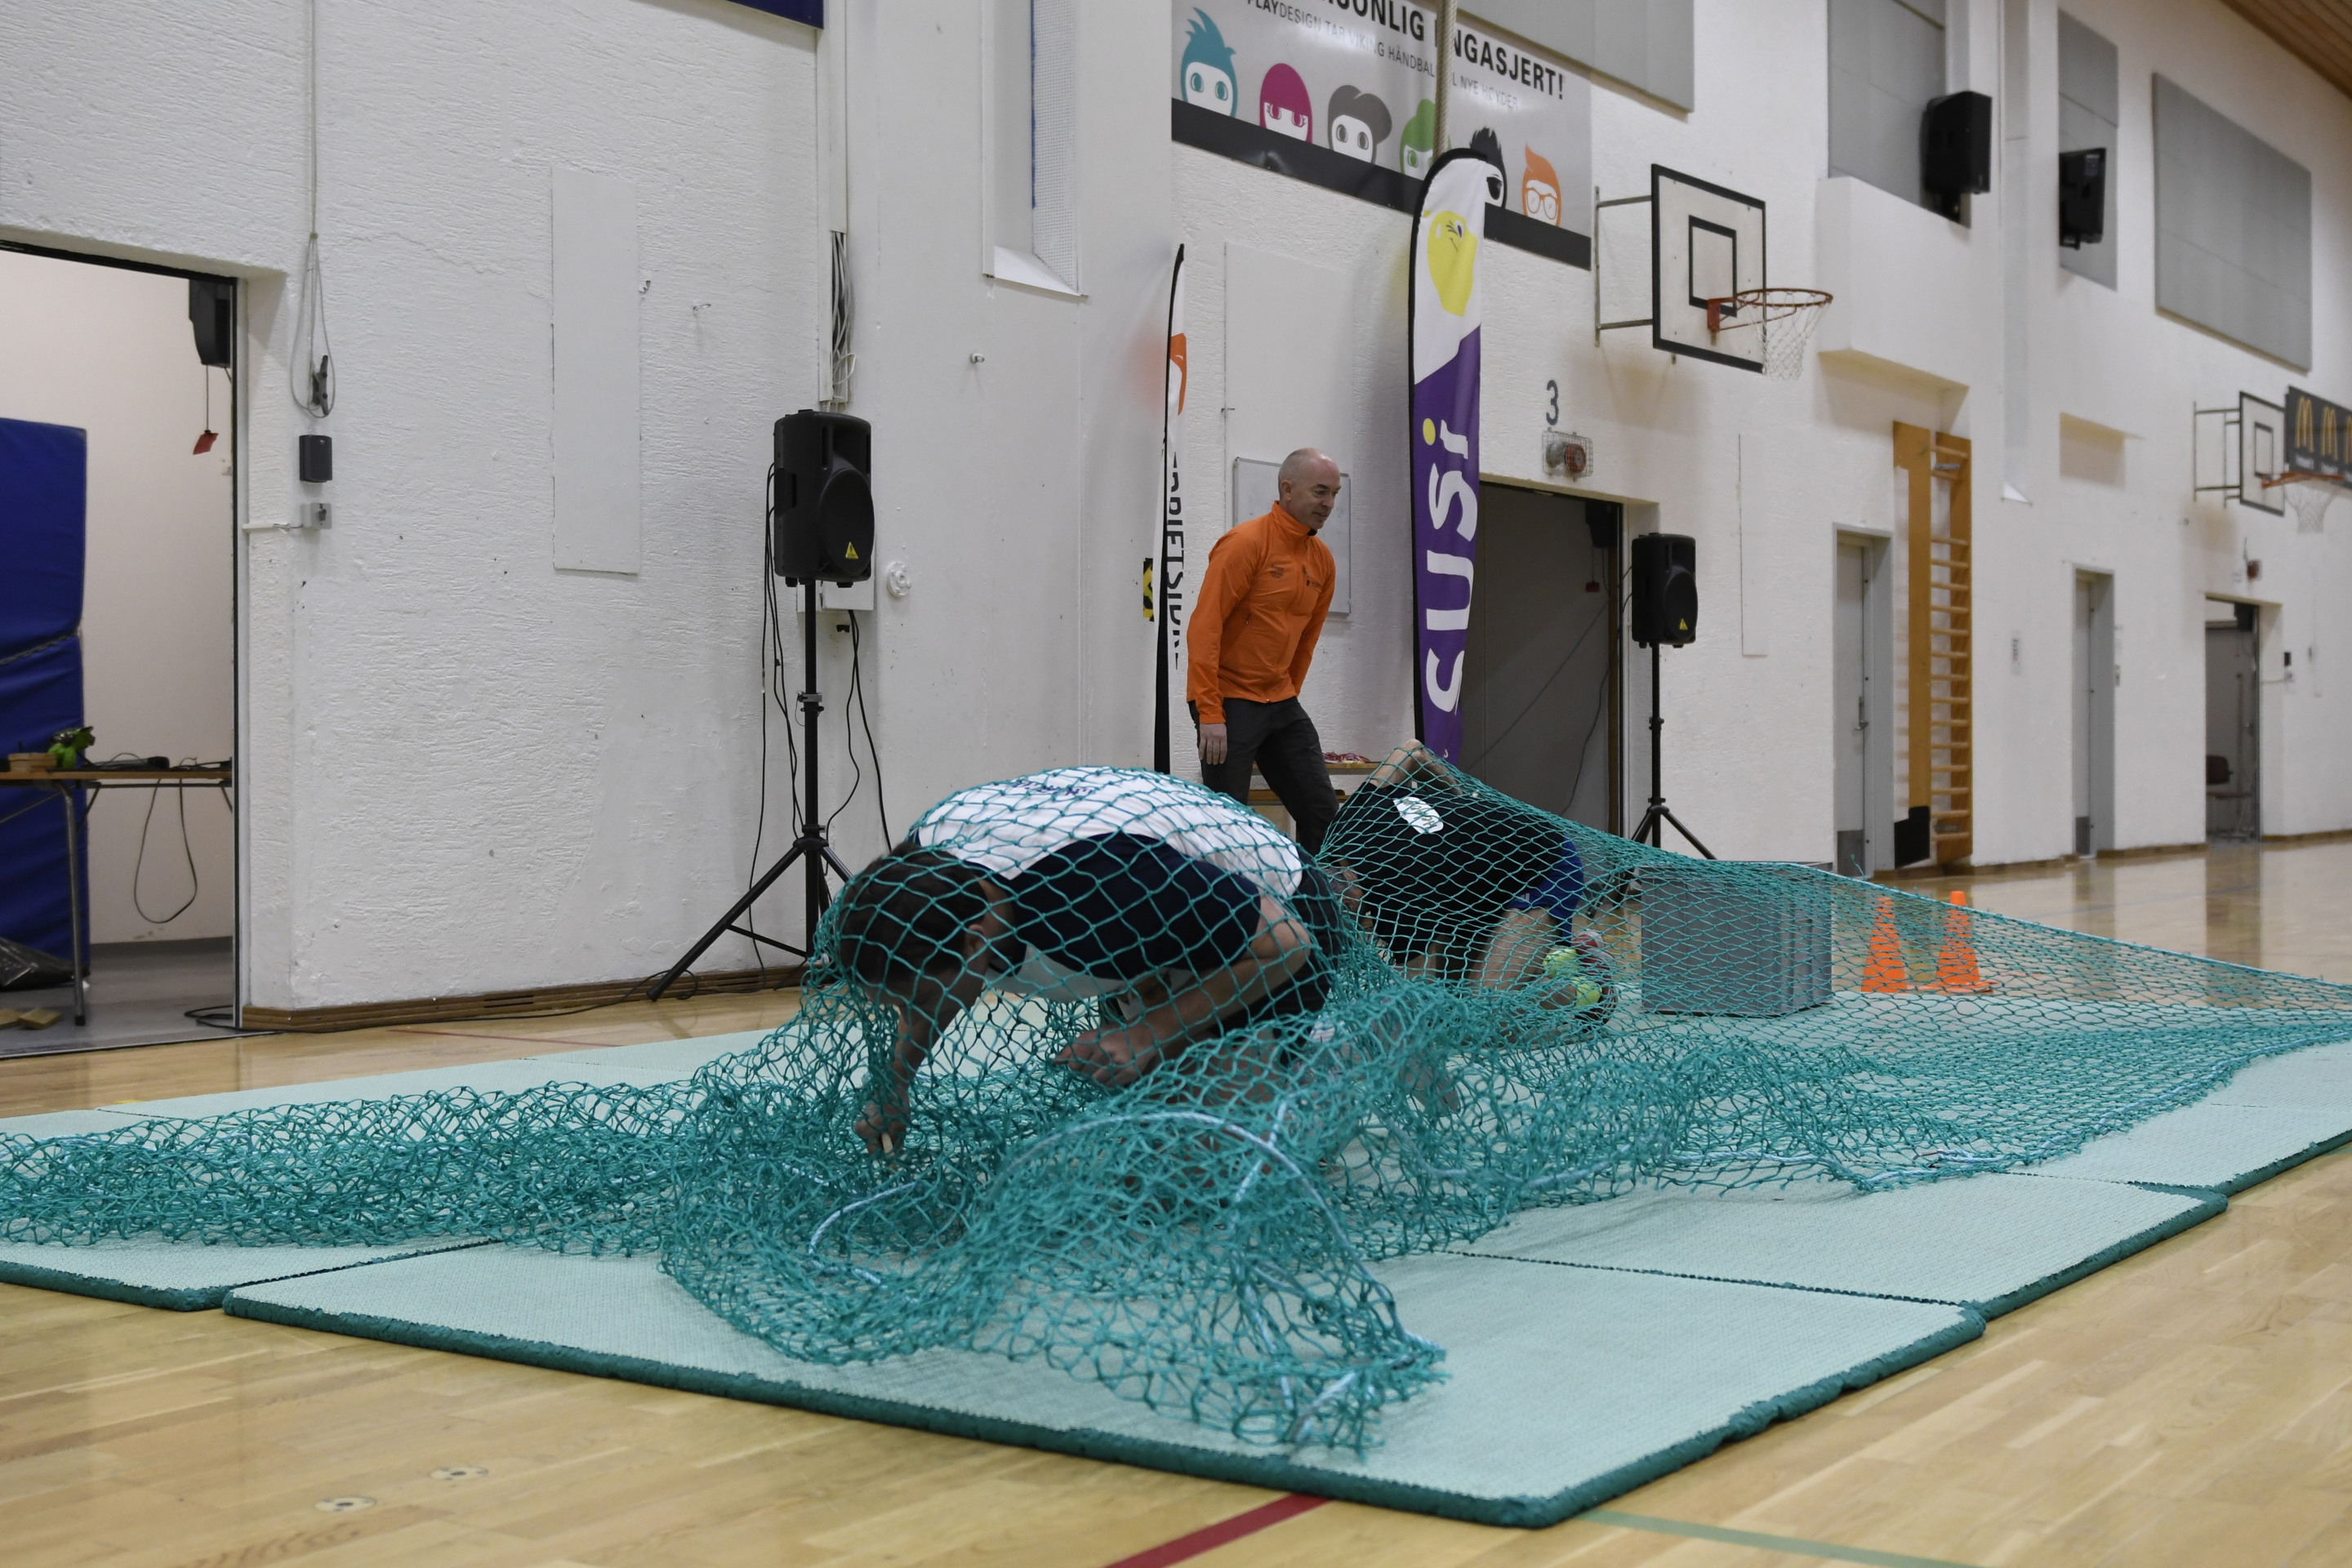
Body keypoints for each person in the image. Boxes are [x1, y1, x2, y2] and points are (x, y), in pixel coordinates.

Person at [827, 768, 1346, 1152]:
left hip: (1280, 917)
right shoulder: (922, 865)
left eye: (915, 1000)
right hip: (1169, 921)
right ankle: (1202, 1047)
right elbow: (928, 983)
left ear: (975, 943)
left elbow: (1286, 942)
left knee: (1209, 1165)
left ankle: (1322, 1055)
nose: (909, 1015)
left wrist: (1149, 1033)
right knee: (1148, 1134)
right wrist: (895, 1082)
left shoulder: (1097, 896)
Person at [1322, 741, 1613, 1017]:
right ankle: (1556, 958)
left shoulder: (1399, 897)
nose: (1361, 929)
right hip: (1477, 881)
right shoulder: (1347, 821)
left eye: (1352, 922)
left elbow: (1421, 996)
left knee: (1481, 1013)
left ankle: (1591, 990)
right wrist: (1460, 805)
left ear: (1353, 902)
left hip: (1542, 867)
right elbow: (1412, 750)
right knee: (1454, 997)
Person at [1188, 448, 1341, 854]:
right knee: (1229, 824)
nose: (1329, 504)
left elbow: (1306, 642)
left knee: (1325, 817)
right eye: (1320, 492)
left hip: (1280, 700)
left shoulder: (1323, 561)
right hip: (1229, 699)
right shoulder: (1245, 543)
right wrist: (1210, 712)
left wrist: (1288, 695)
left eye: (1334, 494)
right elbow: (1204, 629)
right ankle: (1227, 897)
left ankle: (1313, 896)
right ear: (1287, 490)